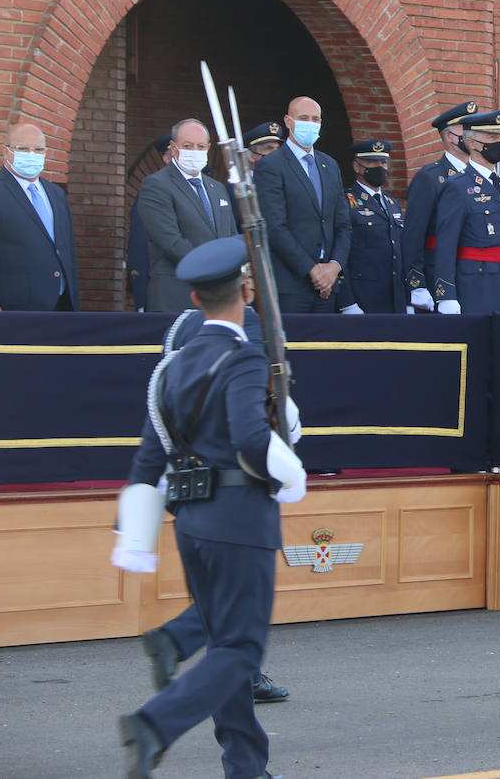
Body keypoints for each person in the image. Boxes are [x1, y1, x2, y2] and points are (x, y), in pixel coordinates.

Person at [113, 236, 306, 779]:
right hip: (239, 516)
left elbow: (150, 457)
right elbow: (250, 439)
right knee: (242, 651)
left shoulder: (171, 369)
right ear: (246, 289)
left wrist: (134, 539)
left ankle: (246, 768)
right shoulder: (243, 355)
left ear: (195, 299)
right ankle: (154, 723)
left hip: (191, 519)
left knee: (226, 650)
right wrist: (288, 473)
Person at [140, 301, 290, 707]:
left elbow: (154, 440)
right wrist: (287, 472)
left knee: (230, 601)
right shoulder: (246, 330)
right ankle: (176, 650)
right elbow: (253, 421)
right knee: (240, 604)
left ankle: (238, 681)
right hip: (236, 494)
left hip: (190, 491)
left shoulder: (186, 332)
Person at [0, 122, 81, 311]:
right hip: (12, 309)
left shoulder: (56, 194)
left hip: (61, 306)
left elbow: (67, 251)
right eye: (23, 149)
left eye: (38, 149)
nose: (31, 155)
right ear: (6, 152)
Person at [253, 96, 351, 313]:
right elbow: (275, 227)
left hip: (328, 285)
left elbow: (343, 224)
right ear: (288, 121)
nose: (311, 123)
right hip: (291, 286)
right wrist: (312, 270)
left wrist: (333, 267)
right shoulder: (271, 165)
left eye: (315, 119)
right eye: (303, 118)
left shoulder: (329, 165)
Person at [139, 119, 239, 313]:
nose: (195, 151)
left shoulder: (217, 188)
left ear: (208, 148)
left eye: (200, 146)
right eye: (188, 146)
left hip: (220, 298)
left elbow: (231, 237)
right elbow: (170, 241)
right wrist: (214, 270)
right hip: (177, 295)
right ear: (174, 148)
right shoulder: (156, 185)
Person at [431, 109, 500, 314]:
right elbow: (446, 243)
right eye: (491, 137)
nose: (499, 142)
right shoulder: (458, 186)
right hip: (475, 286)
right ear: (471, 143)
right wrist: (446, 294)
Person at [403, 101, 479, 311]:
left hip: (472, 278)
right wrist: (417, 285)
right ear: (448, 136)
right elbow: (413, 236)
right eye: (465, 129)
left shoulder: (478, 178)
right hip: (437, 279)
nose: (471, 135)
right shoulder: (430, 178)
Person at [336, 140, 406, 314]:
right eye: (372, 162)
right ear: (357, 166)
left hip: (395, 298)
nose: (379, 167)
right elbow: (339, 250)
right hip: (363, 298)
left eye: (383, 162)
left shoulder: (391, 202)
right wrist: (347, 302)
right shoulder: (345, 201)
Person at [128, 135, 173, 311]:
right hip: (164, 294)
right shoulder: (152, 194)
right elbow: (139, 247)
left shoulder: (211, 190)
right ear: (167, 158)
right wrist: (141, 297)